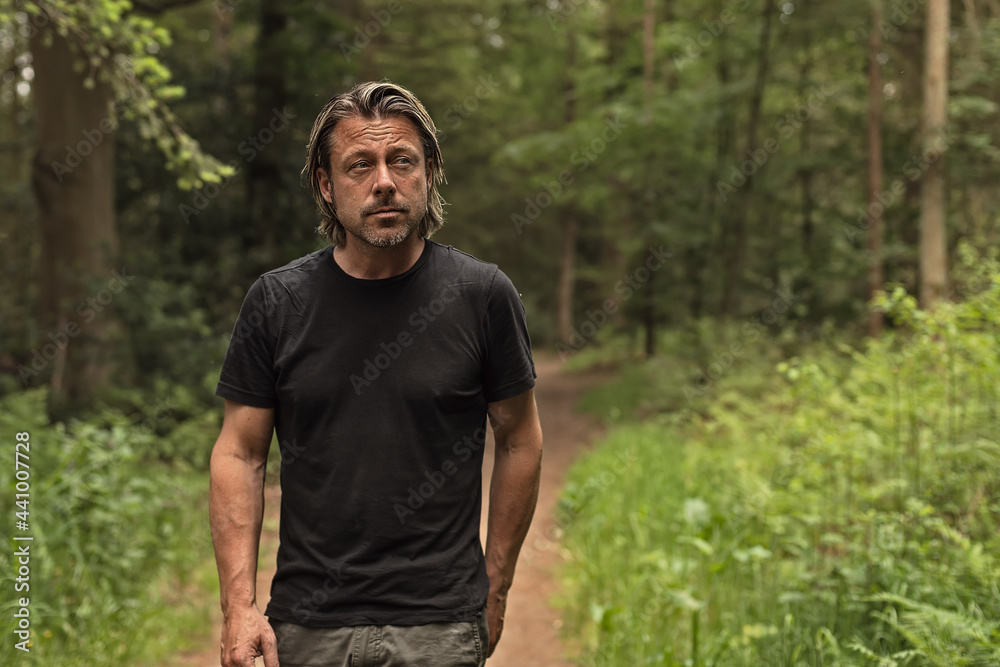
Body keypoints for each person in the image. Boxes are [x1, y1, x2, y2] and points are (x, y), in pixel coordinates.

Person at [209, 80, 542, 667]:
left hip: (440, 626)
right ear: (326, 184)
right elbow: (240, 453)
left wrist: (497, 585)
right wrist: (239, 606)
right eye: (359, 164)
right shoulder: (277, 302)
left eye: (402, 161)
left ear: (429, 172)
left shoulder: (482, 296)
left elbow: (520, 438)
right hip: (308, 628)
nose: (384, 181)